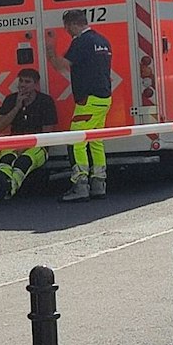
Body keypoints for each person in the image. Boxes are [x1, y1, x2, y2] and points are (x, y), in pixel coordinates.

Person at [52, 10, 114, 201]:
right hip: (104, 98)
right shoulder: (102, 41)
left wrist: (49, 51)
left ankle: (80, 186)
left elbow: (62, 65)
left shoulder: (81, 41)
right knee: (95, 141)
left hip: (88, 100)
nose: (66, 31)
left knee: (76, 141)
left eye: (66, 27)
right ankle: (98, 183)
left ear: (72, 24)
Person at [0, 68, 60, 199]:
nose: (22, 85)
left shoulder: (45, 101)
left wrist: (25, 147)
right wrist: (17, 107)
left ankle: (7, 189)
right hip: (13, 143)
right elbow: (0, 126)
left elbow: (47, 134)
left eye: (27, 82)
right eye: (21, 81)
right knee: (6, 161)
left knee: (23, 162)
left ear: (36, 85)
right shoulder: (11, 100)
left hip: (37, 146)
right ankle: (4, 186)